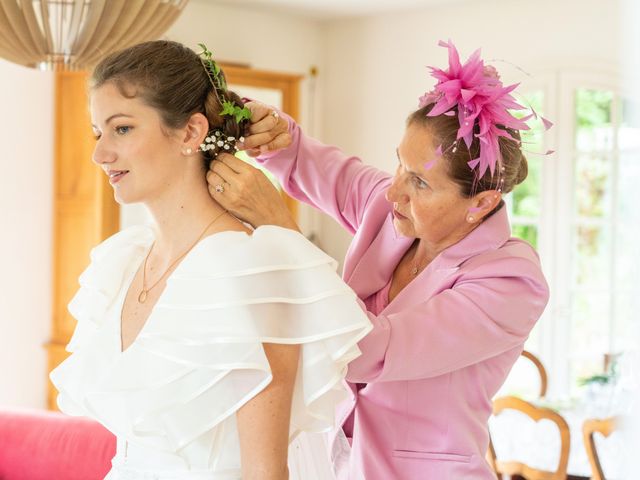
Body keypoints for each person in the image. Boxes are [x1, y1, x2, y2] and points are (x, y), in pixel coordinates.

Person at [207, 40, 551, 479]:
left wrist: (281, 230)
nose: (393, 192)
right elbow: (305, 159)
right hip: (330, 463)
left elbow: (366, 351)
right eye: (398, 167)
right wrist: (263, 127)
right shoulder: (389, 209)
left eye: (420, 184)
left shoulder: (511, 282)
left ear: (481, 203)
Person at [49, 40, 372, 480]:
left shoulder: (248, 272)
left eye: (122, 129)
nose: (99, 154)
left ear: (190, 132)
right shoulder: (123, 264)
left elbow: (266, 472)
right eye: (97, 132)